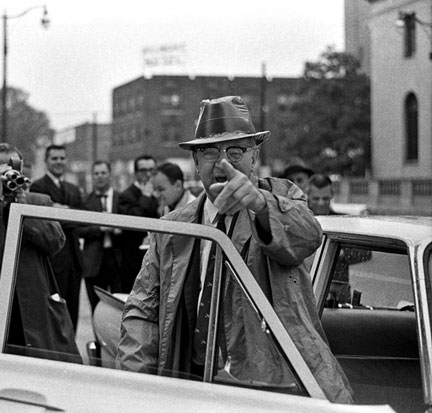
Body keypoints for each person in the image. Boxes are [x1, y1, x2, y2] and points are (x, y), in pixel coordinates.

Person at [116, 96, 353, 404]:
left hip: (270, 385)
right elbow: (143, 311)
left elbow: (306, 237)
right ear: (197, 162)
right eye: (211, 152)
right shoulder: (174, 228)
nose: (223, 162)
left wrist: (258, 203)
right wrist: (136, 389)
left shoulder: (279, 198)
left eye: (236, 151)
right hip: (192, 380)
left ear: (253, 158)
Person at [0, 143, 81, 379]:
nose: (8, 176)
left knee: (37, 379)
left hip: (34, 309)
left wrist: (24, 207)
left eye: (13, 169)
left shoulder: (39, 202)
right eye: (1, 170)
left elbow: (55, 242)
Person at [30, 144, 84, 331]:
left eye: (62, 158)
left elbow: (81, 219)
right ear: (46, 162)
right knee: (54, 311)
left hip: (74, 262)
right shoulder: (38, 187)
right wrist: (67, 213)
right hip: (53, 261)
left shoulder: (74, 190)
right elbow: (45, 222)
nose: (59, 162)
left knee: (72, 311)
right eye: (54, 158)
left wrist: (62, 212)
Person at [78, 160, 123, 311]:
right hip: (94, 262)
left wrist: (119, 227)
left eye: (103, 173)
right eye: (96, 173)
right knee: (97, 310)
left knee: (120, 307)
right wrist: (100, 228)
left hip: (117, 260)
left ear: (110, 175)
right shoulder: (85, 201)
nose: (100, 177)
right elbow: (79, 229)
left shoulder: (120, 198)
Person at [118, 155, 159, 293]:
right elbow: (135, 219)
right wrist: (146, 197)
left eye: (151, 170)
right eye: (143, 170)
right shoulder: (126, 195)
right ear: (136, 173)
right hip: (133, 260)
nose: (148, 174)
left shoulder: (159, 193)